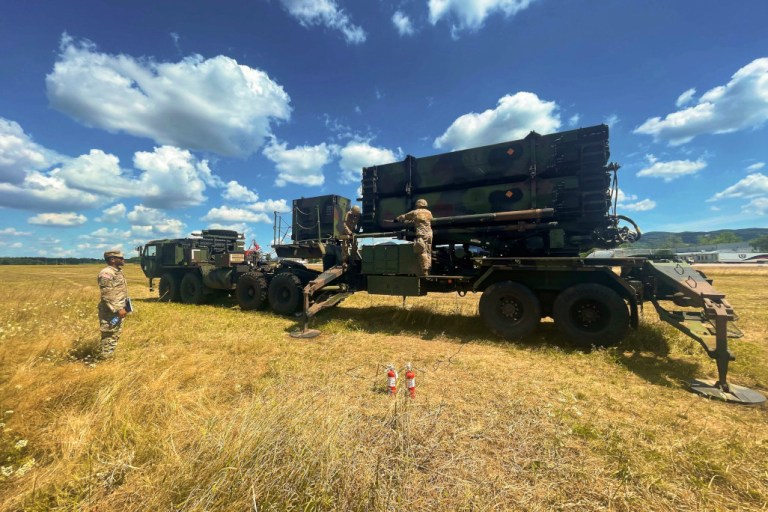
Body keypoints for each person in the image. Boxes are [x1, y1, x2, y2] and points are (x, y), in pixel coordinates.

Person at [98, 249, 129, 359]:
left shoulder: (117, 271)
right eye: (120, 258)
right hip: (110, 311)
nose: (123, 259)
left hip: (117, 309)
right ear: (112, 259)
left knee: (115, 334)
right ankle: (105, 359)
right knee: (109, 334)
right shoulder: (106, 273)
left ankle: (108, 356)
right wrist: (118, 308)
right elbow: (107, 293)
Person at [396, 198, 433, 275]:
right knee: (428, 251)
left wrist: (397, 219)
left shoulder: (415, 212)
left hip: (422, 234)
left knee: (421, 251)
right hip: (429, 234)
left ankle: (425, 270)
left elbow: (404, 216)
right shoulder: (429, 213)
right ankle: (429, 267)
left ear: (418, 204)